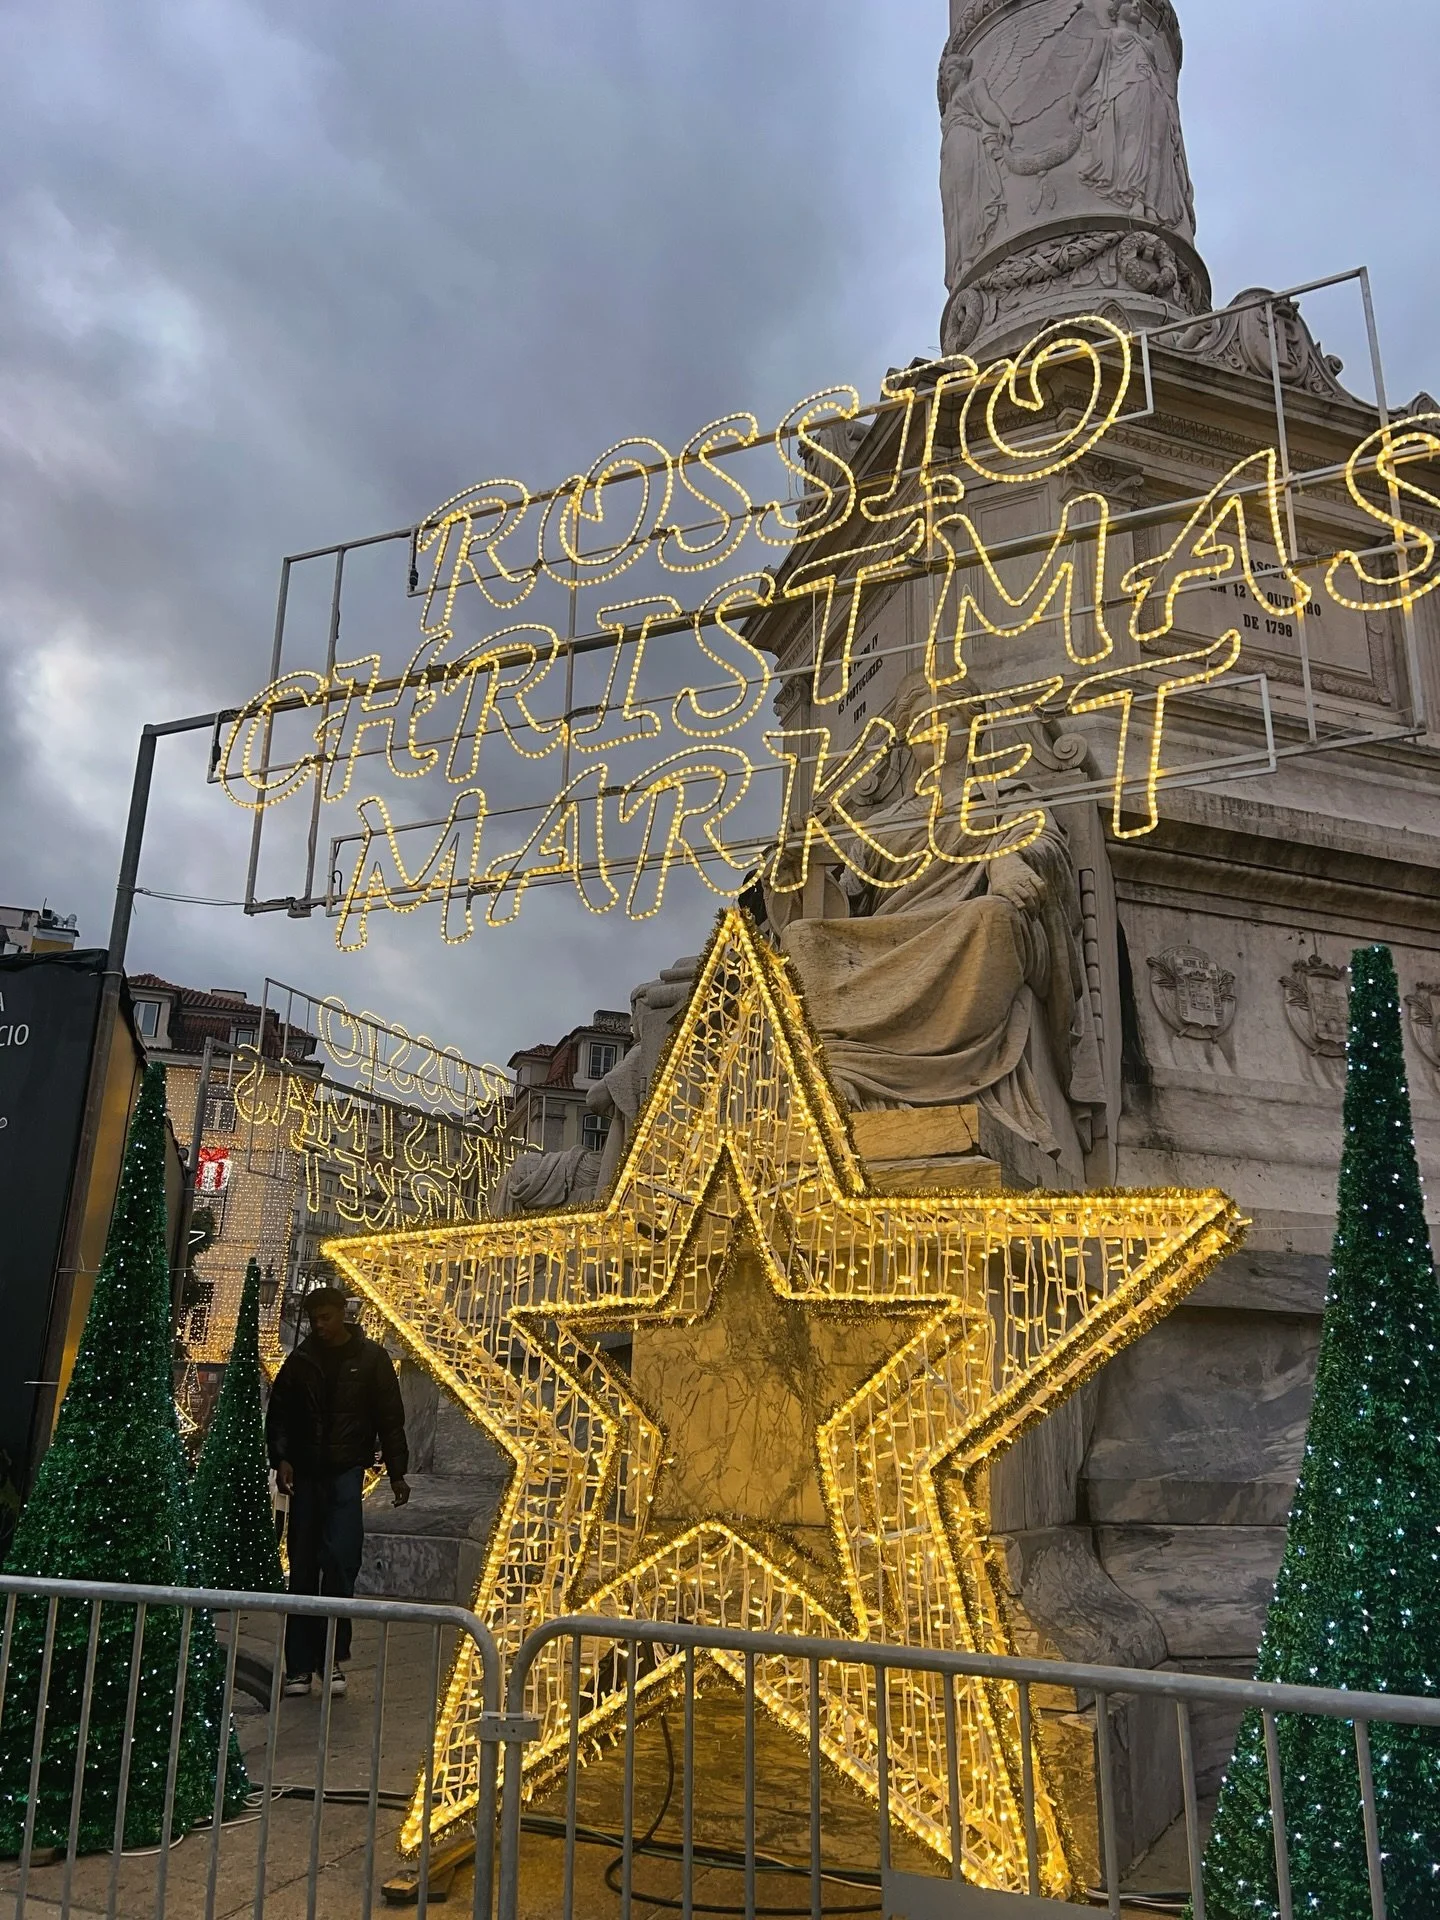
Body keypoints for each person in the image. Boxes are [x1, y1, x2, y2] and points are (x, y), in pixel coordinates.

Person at [265, 1287, 410, 1697]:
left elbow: (390, 1419)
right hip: (307, 1475)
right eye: (314, 1320)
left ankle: (330, 1659)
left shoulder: (372, 1360)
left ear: (342, 1315)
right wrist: (282, 1459)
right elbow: (280, 1414)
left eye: (326, 1317)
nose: (320, 1326)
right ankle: (299, 1666)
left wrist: (397, 1473)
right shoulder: (301, 1361)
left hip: (347, 1473)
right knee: (303, 1569)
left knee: (341, 1563)